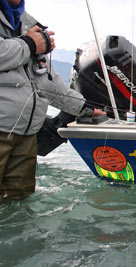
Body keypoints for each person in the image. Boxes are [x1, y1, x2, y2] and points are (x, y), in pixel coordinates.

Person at [0, 0, 104, 202]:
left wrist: (83, 108)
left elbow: (46, 82)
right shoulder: (32, 36)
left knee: (18, 203)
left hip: (26, 135)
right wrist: (29, 44)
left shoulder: (29, 24)